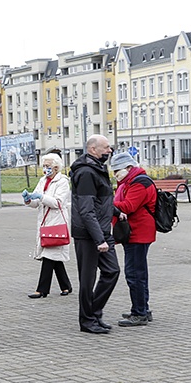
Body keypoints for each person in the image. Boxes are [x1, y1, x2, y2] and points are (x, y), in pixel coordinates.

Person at [70, 135, 120, 335]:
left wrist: (116, 212)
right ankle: (87, 320)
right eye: (106, 148)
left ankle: (94, 311)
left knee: (112, 271)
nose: (110, 151)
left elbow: (101, 200)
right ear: (92, 150)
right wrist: (99, 239)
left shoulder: (99, 169)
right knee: (87, 279)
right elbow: (86, 210)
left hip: (102, 230)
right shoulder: (86, 173)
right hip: (88, 234)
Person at [109, 152, 157, 327]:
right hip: (136, 232)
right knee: (139, 272)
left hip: (139, 232)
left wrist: (107, 203)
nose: (115, 174)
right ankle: (142, 308)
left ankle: (139, 313)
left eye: (117, 170)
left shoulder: (140, 183)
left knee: (134, 274)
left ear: (129, 168)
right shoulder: (131, 181)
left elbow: (129, 206)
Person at [22, 152, 73, 299]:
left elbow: (58, 203)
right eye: (44, 166)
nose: (45, 169)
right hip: (45, 223)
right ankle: (66, 285)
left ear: (56, 167)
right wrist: (28, 200)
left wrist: (42, 197)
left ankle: (42, 290)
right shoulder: (43, 180)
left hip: (56, 222)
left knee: (49, 255)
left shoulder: (62, 182)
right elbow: (36, 203)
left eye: (48, 166)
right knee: (53, 256)